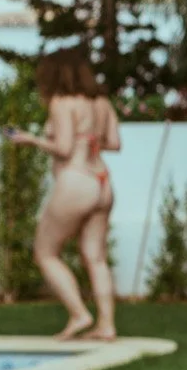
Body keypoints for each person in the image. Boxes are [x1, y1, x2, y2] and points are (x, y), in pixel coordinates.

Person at [8, 48, 120, 341]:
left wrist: (31, 139)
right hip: (102, 180)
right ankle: (106, 325)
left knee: (45, 253)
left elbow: (64, 149)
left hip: (76, 180)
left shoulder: (62, 102)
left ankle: (79, 314)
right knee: (95, 257)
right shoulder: (101, 102)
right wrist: (88, 140)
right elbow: (114, 142)